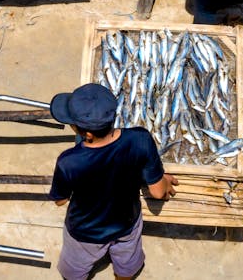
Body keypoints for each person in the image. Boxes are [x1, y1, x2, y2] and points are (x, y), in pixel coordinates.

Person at [48, 83, 178, 280]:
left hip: (85, 234)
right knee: (127, 267)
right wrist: (161, 178)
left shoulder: (69, 161)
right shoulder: (140, 139)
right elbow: (159, 192)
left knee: (73, 272)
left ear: (87, 134)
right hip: (126, 225)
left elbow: (60, 200)